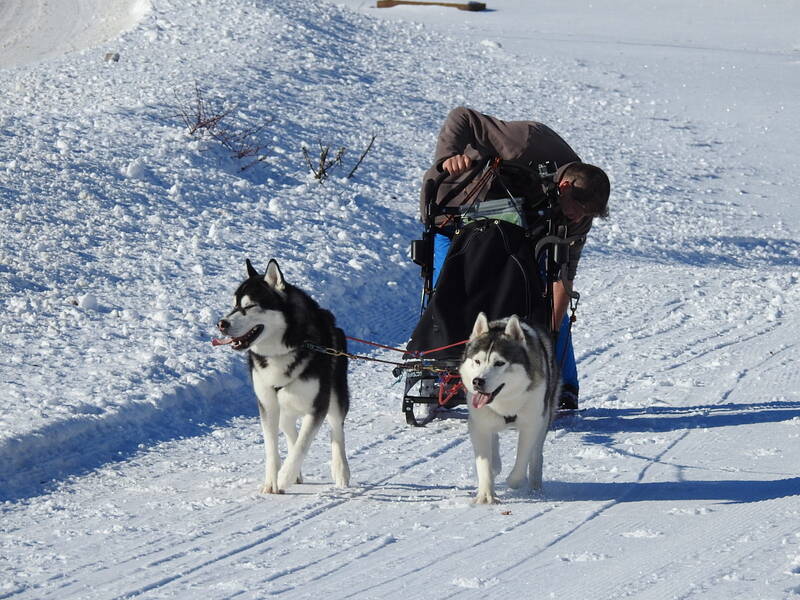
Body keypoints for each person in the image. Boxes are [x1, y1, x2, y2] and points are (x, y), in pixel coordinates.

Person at [421, 106, 610, 410]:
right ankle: (443, 373)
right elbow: (463, 116)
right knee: (452, 289)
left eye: (587, 215)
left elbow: (564, 274)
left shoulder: (580, 211)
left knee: (541, 303)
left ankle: (562, 383)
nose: (579, 218)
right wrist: (448, 158)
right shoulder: (525, 142)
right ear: (564, 187)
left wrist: (551, 328)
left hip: (524, 230)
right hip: (457, 210)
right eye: (577, 210)